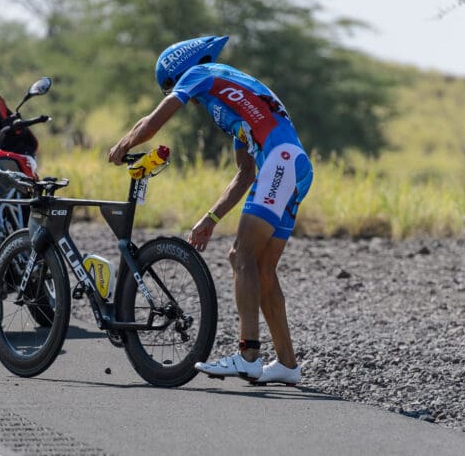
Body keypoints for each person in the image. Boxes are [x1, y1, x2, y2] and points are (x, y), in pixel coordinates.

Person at [108, 36, 313, 385]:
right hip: (294, 166)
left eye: (169, 87)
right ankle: (287, 364)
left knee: (242, 256)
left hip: (281, 162)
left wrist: (123, 145)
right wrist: (211, 218)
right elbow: (245, 173)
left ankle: (248, 355)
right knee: (262, 268)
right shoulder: (234, 102)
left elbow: (153, 122)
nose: (173, 93)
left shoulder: (201, 72)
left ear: (176, 74)